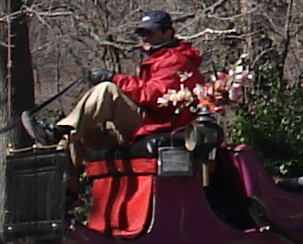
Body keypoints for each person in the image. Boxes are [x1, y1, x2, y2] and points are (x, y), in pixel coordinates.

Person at [58, 10, 205, 162]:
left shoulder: (175, 60)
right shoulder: (157, 59)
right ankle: (67, 182)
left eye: (150, 32)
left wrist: (114, 78)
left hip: (158, 125)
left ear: (168, 33)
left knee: (107, 90)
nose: (145, 38)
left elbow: (153, 95)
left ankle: (61, 130)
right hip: (146, 122)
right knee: (82, 133)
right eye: (142, 33)